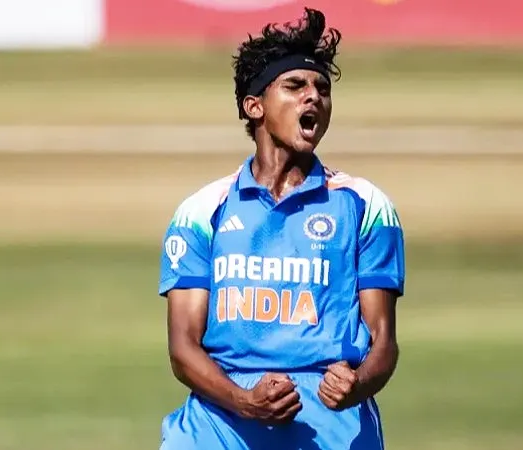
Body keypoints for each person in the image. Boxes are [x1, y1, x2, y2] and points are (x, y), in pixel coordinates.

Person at [157, 7, 405, 450]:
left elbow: (383, 343)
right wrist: (245, 402)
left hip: (330, 420)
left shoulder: (366, 206)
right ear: (254, 106)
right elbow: (182, 348)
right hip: (221, 419)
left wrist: (359, 384)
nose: (313, 98)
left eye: (322, 89)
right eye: (295, 86)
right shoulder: (200, 212)